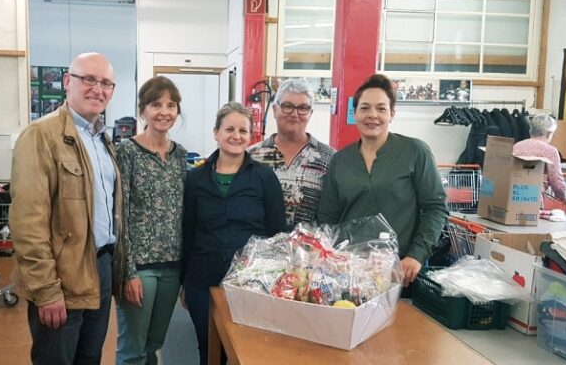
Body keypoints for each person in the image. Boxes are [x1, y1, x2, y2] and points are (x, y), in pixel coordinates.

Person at [9, 52, 124, 365]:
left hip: (100, 268)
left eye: (105, 83)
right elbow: (28, 222)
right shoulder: (41, 136)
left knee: (89, 357)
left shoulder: (101, 138)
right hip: (62, 275)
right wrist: (46, 290)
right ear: (67, 82)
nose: (97, 89)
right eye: (88, 79)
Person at [316, 74, 448, 287]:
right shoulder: (340, 160)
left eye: (381, 108)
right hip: (350, 274)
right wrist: (330, 258)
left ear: (392, 114)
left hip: (401, 273)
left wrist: (416, 255)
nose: (372, 115)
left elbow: (436, 208)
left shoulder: (415, 151)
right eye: (365, 108)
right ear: (355, 113)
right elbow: (327, 217)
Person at [182, 102, 287, 364]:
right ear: (216, 132)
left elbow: (277, 234)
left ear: (250, 136)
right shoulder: (195, 179)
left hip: (251, 282)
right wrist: (184, 282)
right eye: (229, 129)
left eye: (243, 130)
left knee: (244, 351)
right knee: (208, 350)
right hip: (203, 279)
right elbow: (188, 231)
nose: (236, 135)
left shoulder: (264, 177)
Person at [115, 76, 187, 365]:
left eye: (171, 105)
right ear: (143, 109)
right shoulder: (126, 152)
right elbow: (119, 216)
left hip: (172, 266)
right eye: (156, 104)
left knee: (153, 344)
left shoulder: (180, 155)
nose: (164, 111)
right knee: (132, 349)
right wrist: (128, 272)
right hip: (139, 268)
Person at [248, 78, 335, 229]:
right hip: (258, 248)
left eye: (303, 107)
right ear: (275, 110)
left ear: (310, 113)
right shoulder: (252, 156)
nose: (294, 114)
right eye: (287, 106)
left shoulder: (330, 158)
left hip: (310, 250)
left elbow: (333, 214)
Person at [512, 114, 566, 207]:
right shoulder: (550, 151)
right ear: (549, 134)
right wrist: (565, 198)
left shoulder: (517, 146)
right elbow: (557, 183)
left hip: (512, 197)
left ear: (531, 131)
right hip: (534, 202)